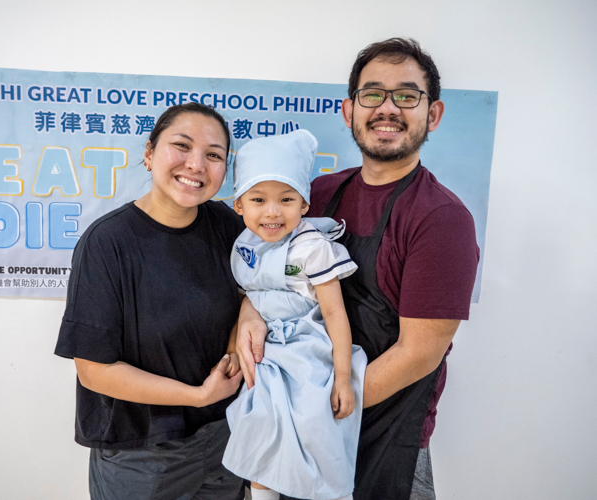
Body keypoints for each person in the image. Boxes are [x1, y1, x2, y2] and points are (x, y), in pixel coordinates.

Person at [237, 38, 480, 500]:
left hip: (379, 434)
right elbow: (269, 272)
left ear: (433, 114)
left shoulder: (440, 218)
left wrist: (319, 408)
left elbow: (418, 354)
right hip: (295, 428)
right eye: (372, 94)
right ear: (349, 111)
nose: (387, 108)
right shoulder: (314, 195)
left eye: (407, 96)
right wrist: (249, 314)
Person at [54, 102, 247, 500]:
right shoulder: (108, 242)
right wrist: (197, 396)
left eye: (214, 155)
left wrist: (247, 321)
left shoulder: (228, 227)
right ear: (148, 153)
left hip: (224, 438)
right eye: (182, 146)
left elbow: (260, 292)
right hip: (141, 455)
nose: (196, 165)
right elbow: (95, 371)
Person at [221, 129, 368, 500]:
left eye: (286, 199)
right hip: (265, 350)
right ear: (239, 205)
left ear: (304, 205)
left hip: (306, 348)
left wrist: (343, 379)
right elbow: (247, 295)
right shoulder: (243, 246)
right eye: (258, 199)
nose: (272, 211)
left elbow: (335, 314)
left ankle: (330, 492)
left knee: (314, 423)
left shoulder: (311, 248)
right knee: (257, 424)